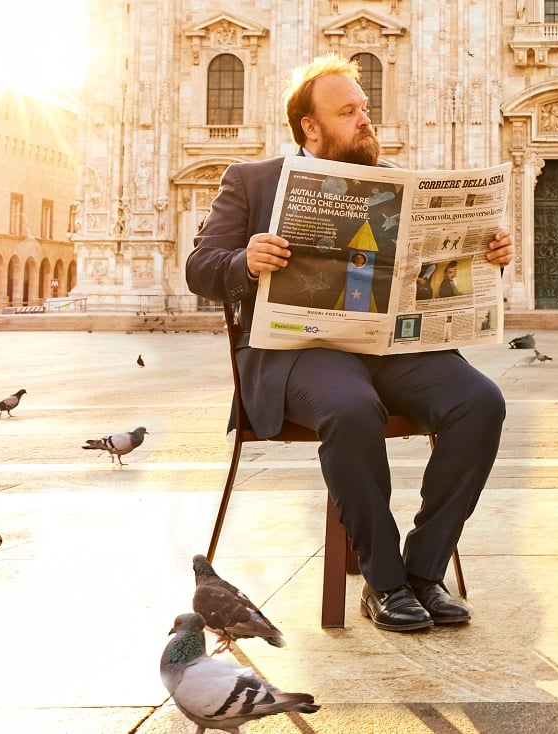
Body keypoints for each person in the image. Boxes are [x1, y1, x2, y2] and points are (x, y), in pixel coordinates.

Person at [186, 54, 514, 633]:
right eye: (348, 111)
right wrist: (246, 259)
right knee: (349, 406)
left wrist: (486, 260)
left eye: (365, 108)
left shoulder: (394, 185)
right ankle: (383, 582)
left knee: (479, 402)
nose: (366, 120)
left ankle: (422, 572)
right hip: (296, 355)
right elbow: (200, 266)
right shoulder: (252, 181)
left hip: (389, 349)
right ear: (309, 126)